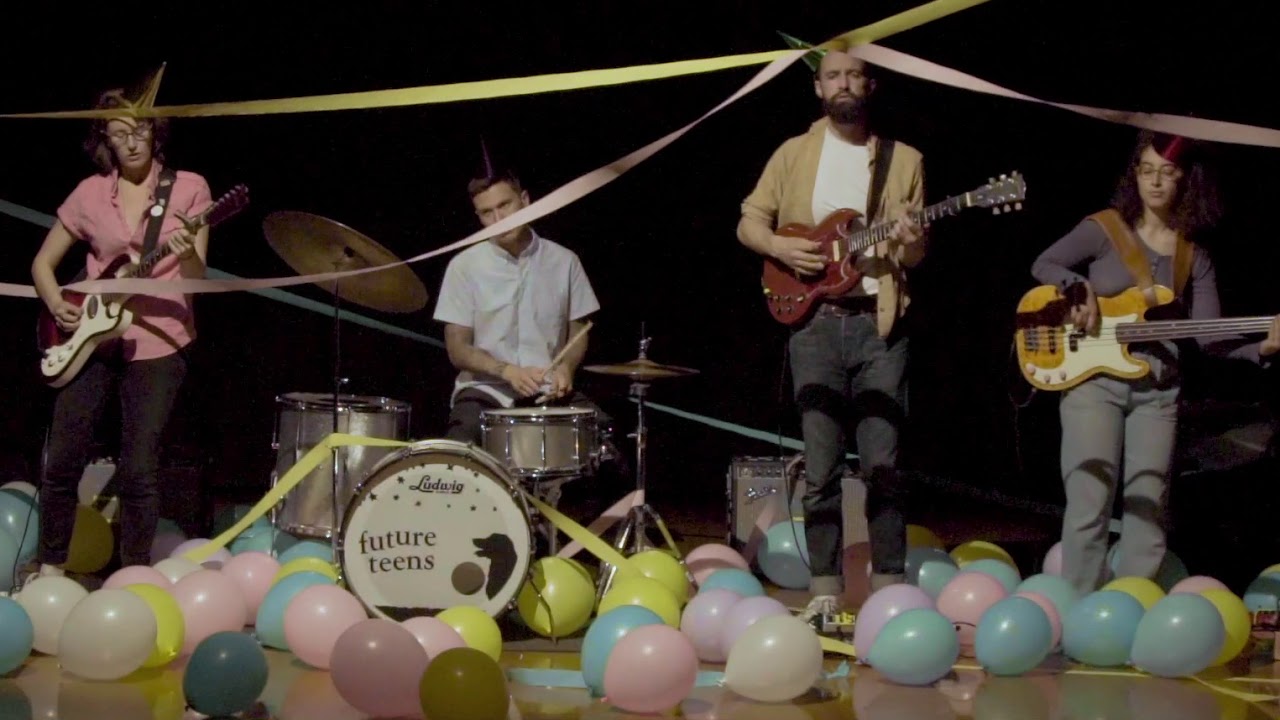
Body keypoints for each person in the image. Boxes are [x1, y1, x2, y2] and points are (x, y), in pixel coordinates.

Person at [1031, 130, 1280, 596]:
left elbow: (1210, 338)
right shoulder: (1104, 229)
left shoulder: (1193, 256)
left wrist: (1261, 348)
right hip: (1093, 382)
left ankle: (1134, 604)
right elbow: (1045, 263)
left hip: (1158, 393)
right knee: (1089, 500)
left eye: (1167, 172)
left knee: (1148, 509)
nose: (1156, 182)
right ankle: (1080, 607)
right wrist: (1077, 288)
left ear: (1186, 180)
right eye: (1147, 171)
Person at [736, 48, 927, 620]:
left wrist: (912, 238)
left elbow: (913, 256)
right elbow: (749, 221)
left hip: (879, 326)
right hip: (814, 325)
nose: (844, 83)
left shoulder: (904, 160)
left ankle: (889, 588)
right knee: (820, 469)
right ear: (818, 88)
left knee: (883, 465)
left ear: (870, 85)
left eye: (854, 75)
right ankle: (824, 589)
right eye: (832, 75)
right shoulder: (793, 153)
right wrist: (778, 245)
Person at [25, 89, 210, 584]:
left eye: (140, 130)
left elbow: (198, 275)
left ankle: (133, 578)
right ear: (104, 139)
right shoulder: (90, 193)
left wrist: (186, 251)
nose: (131, 142)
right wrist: (57, 304)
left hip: (160, 338)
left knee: (139, 467)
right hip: (91, 336)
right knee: (63, 459)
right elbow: (42, 264)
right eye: (119, 133)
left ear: (156, 132)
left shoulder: (188, 188)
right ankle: (50, 567)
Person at [433, 166, 618, 482]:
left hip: (547, 391)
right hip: (486, 390)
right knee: (456, 456)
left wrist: (566, 368)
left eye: (504, 205)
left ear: (525, 200)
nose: (498, 219)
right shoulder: (463, 266)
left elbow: (578, 331)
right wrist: (507, 371)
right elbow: (457, 349)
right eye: (487, 213)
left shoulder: (565, 261)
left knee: (608, 451)